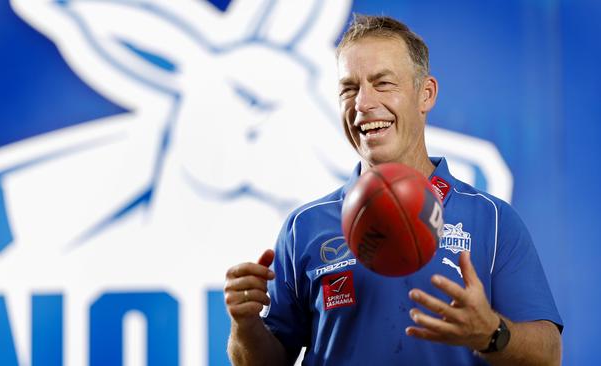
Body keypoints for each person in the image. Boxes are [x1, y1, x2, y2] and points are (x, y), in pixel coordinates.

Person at [224, 15, 562, 365]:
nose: (362, 103)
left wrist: (491, 332)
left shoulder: (492, 220)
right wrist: (245, 325)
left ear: (425, 94)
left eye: (382, 83)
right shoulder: (303, 226)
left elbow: (548, 355)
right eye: (349, 88)